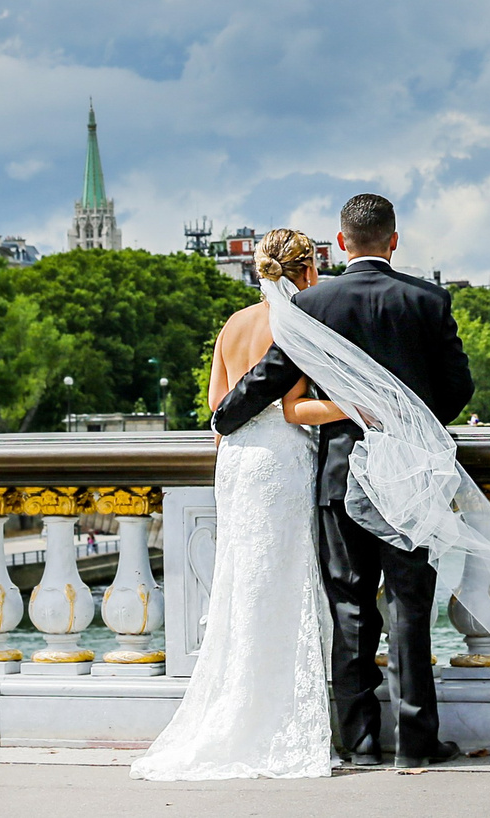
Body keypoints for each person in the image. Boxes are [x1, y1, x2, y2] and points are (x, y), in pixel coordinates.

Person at [209, 194, 477, 770]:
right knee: (410, 607)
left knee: (352, 608)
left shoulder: (314, 302)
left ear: (343, 243)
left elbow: (272, 375)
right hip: (408, 475)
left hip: (339, 474)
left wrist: (224, 417)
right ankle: (415, 745)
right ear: (394, 240)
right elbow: (458, 388)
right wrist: (409, 422)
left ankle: (357, 743)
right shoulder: (428, 300)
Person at [131, 228, 344, 781]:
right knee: (286, 585)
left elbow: (215, 405)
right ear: (309, 270)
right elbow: (295, 411)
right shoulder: (296, 326)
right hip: (280, 461)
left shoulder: (233, 324)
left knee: (241, 586)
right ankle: (277, 719)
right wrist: (351, 407)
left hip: (238, 463)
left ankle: (235, 709)